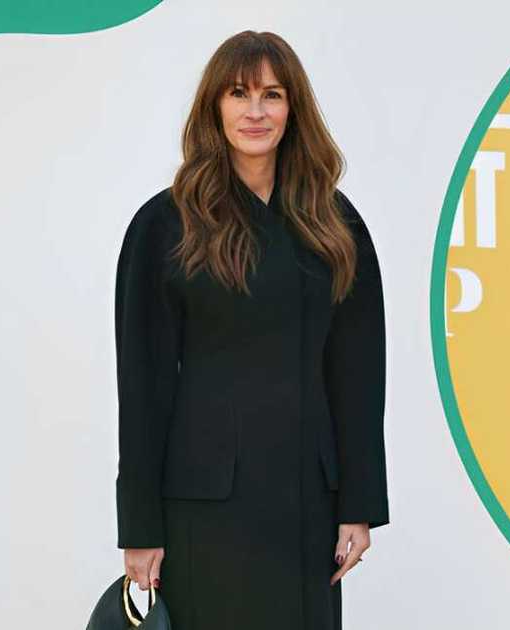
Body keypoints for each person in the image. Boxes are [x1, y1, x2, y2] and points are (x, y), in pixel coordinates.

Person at [114, 31, 387, 630]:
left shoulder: (334, 225)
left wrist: (358, 506)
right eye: (239, 94)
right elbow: (143, 385)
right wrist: (139, 526)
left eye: (272, 94)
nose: (255, 111)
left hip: (306, 503)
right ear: (215, 106)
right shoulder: (165, 224)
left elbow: (358, 376)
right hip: (202, 502)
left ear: (294, 110)